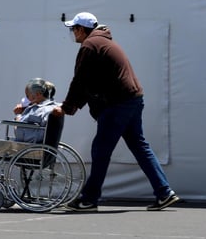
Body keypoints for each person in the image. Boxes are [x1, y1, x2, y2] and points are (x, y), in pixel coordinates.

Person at [52, 12, 179, 211]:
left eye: (73, 29)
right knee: (139, 146)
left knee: (100, 150)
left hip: (117, 104)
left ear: (81, 29)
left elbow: (80, 81)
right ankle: (164, 192)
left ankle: (88, 199)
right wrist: (73, 105)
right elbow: (90, 83)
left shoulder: (90, 46)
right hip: (133, 99)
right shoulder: (105, 42)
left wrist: (67, 107)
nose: (72, 33)